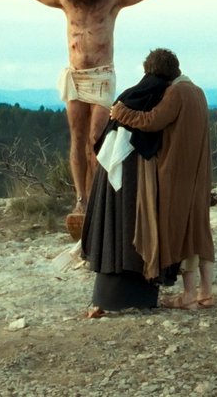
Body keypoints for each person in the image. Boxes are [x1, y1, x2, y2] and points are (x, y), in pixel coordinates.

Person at [0, 0, 202, 216]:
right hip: (76, 76)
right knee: (77, 138)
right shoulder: (66, 1)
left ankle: (100, 196)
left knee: (97, 137)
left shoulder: (112, 2)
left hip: (101, 75)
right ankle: (80, 199)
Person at [110, 48, 215, 309]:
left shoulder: (176, 92)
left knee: (181, 233)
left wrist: (120, 113)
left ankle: (189, 295)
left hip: (178, 172)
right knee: (199, 231)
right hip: (198, 172)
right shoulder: (197, 91)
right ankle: (206, 293)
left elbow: (153, 121)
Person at [79, 61, 175, 317]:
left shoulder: (128, 96)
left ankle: (109, 297)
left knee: (114, 228)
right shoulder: (158, 98)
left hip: (111, 173)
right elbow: (152, 129)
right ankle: (137, 295)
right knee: (135, 226)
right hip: (138, 173)